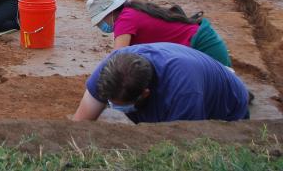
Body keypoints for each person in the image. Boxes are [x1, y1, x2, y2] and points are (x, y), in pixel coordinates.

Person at [72, 42, 249, 123]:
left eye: (120, 105)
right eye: (110, 102)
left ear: (145, 93)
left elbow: (185, 149)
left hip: (228, 107)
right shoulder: (110, 70)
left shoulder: (184, 92)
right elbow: (80, 123)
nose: (111, 106)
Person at [86, 0, 232, 66]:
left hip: (203, 48)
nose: (101, 26)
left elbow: (117, 59)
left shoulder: (125, 19)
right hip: (206, 45)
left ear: (109, 12)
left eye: (100, 21)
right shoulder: (131, 11)